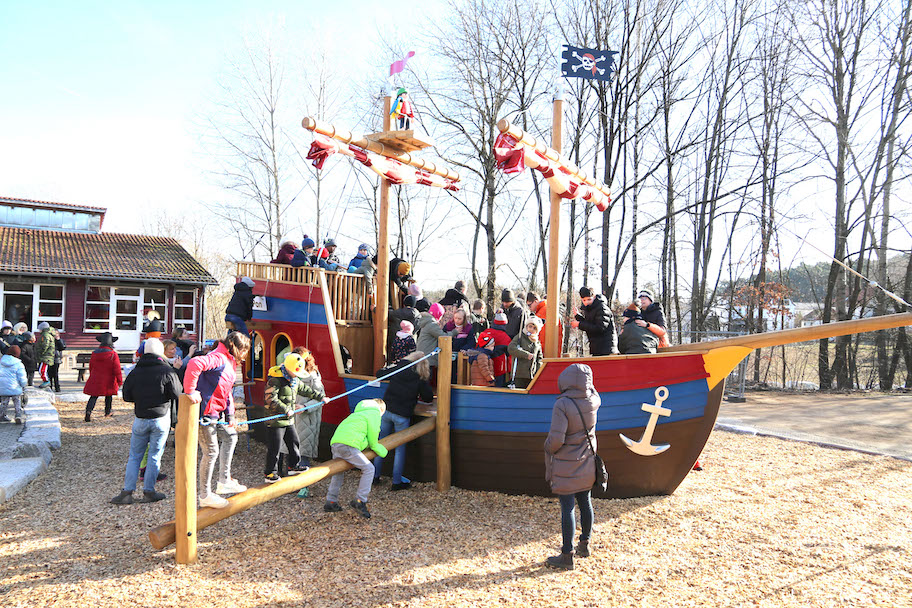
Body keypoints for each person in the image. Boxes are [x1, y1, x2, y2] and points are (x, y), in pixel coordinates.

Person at [110, 338, 181, 505]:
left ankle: (127, 492)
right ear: (161, 352)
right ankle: (149, 491)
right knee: (155, 456)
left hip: (140, 418)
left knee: (134, 456)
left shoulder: (135, 371)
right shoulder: (166, 370)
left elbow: (127, 396)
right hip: (161, 417)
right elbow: (178, 393)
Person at [183, 332, 251, 508]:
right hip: (204, 413)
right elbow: (194, 363)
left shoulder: (228, 361)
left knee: (231, 436)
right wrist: (190, 391)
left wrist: (230, 416)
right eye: (244, 350)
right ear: (236, 347)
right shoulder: (218, 357)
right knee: (211, 451)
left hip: (216, 413)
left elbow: (227, 390)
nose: (245, 355)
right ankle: (205, 495)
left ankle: (224, 480)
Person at [544, 363, 600, 570]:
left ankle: (566, 555)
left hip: (567, 463)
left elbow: (556, 440)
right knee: (585, 501)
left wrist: (547, 447)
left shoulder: (563, 404)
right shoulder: (594, 399)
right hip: (586, 459)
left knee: (567, 507)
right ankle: (584, 545)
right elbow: (593, 390)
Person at [373, 351, 434, 490]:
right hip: (402, 414)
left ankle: (375, 476)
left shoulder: (399, 368)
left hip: (387, 410)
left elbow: (379, 374)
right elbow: (429, 397)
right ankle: (396, 482)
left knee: (380, 443)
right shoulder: (420, 377)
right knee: (400, 449)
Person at [263, 352, 327, 483]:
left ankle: (293, 465)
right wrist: (286, 409)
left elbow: (306, 390)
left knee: (294, 442)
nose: (298, 376)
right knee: (275, 447)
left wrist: (321, 397)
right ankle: (270, 473)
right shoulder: (275, 380)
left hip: (288, 420)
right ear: (288, 369)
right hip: (276, 420)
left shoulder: (295, 380)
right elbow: (270, 398)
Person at [323, 398, 388, 519]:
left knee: (338, 472)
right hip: (348, 445)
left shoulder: (358, 413)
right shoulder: (374, 414)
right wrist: (383, 451)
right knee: (369, 469)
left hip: (336, 442)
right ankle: (360, 500)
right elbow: (373, 441)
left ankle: (331, 501)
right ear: (381, 410)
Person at [290, 346, 324, 469]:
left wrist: (304, 407)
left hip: (306, 420)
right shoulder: (291, 374)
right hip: (293, 419)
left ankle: (303, 487)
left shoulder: (313, 378)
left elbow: (320, 398)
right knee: (291, 453)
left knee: (303, 454)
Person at [84, 332, 123, 421]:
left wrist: (92, 375)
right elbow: (117, 369)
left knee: (93, 396)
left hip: (96, 378)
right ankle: (107, 412)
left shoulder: (94, 353)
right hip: (109, 379)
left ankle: (88, 411)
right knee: (108, 396)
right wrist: (120, 381)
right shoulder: (113, 354)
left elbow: (91, 367)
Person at [570, 287, 618, 356]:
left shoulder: (601, 308)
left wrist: (579, 324)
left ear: (594, 297)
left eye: (589, 299)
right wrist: (578, 316)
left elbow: (599, 328)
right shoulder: (590, 309)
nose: (587, 302)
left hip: (606, 349)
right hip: (599, 348)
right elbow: (589, 324)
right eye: (584, 300)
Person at [508, 318, 544, 389]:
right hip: (519, 375)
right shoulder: (520, 337)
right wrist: (525, 355)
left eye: (534, 328)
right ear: (526, 326)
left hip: (531, 376)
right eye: (530, 326)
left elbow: (539, 359)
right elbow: (511, 348)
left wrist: (538, 373)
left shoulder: (537, 343)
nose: (531, 329)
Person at [0, 345, 27, 424]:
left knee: (4, 402)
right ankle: (18, 415)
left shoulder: (1, 362)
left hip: (3, 386)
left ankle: (1, 415)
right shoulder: (19, 364)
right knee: (17, 401)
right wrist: (23, 384)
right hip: (15, 387)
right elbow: (22, 377)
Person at [416, 302, 445, 372]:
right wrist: (454, 332)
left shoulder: (425, 321)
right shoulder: (432, 324)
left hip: (421, 357)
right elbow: (444, 336)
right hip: (428, 360)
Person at [36, 322, 57, 389]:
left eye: (39, 329)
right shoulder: (49, 335)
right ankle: (46, 381)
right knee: (43, 369)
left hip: (45, 356)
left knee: (42, 370)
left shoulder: (45, 335)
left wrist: (41, 352)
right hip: (47, 356)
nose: (39, 331)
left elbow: (45, 345)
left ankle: (46, 381)